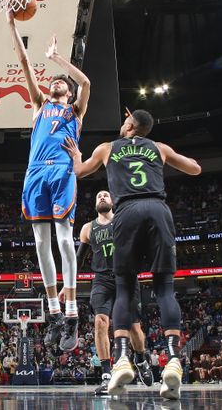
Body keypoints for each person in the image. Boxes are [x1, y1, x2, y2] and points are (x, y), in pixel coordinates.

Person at [63, 109, 201, 400]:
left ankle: (123, 358)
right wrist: (166, 157)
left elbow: (78, 171)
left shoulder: (107, 148)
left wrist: (76, 155)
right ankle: (173, 359)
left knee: (124, 289)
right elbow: (195, 169)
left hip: (126, 213)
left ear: (128, 125)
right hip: (157, 209)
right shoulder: (159, 148)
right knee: (165, 288)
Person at [7, 12, 91, 352]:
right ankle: (55, 312)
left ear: (68, 94)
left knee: (64, 240)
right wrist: (12, 28)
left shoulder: (75, 111)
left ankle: (72, 313)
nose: (58, 82)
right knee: (41, 243)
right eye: (55, 80)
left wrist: (57, 58)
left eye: (62, 83)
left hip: (61, 170)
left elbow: (86, 84)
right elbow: (25, 66)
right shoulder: (40, 105)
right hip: (35, 172)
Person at [74, 190, 152, 395]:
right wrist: (68, 284)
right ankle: (106, 375)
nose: (101, 197)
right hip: (101, 280)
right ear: (95, 204)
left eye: (105, 195)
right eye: (98, 196)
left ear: (112, 202)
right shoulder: (88, 228)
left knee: (134, 327)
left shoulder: (124, 221)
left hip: (125, 277)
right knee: (100, 322)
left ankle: (141, 359)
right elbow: (78, 260)